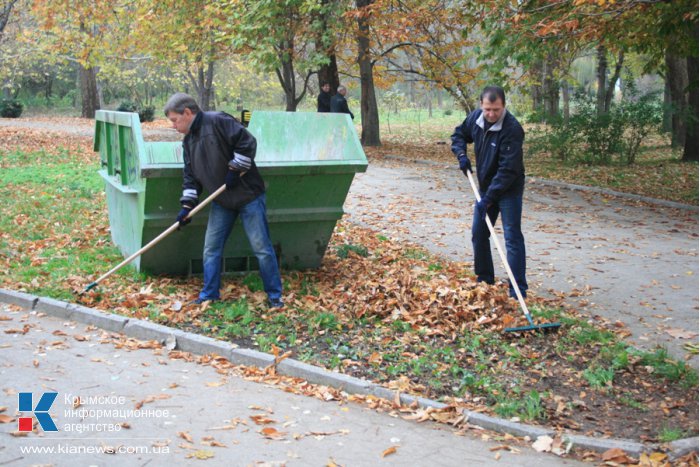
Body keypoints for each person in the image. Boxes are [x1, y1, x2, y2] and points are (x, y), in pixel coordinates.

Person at [164, 93, 284, 308]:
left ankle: (274, 295)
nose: (173, 125)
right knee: (211, 249)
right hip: (222, 201)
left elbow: (247, 142)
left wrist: (235, 169)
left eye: (174, 120)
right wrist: (187, 207)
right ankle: (209, 294)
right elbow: (190, 176)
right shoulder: (188, 142)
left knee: (261, 248)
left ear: (188, 113)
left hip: (248, 196)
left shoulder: (219, 121)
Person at [450, 85, 528, 300]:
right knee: (479, 233)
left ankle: (518, 290)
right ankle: (485, 279)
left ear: (503, 106)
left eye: (496, 109)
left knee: (512, 237)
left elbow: (507, 170)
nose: (491, 114)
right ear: (481, 106)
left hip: (508, 189)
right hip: (486, 188)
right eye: (487, 109)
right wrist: (461, 155)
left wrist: (488, 199)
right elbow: (458, 135)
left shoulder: (512, 129)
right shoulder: (476, 118)